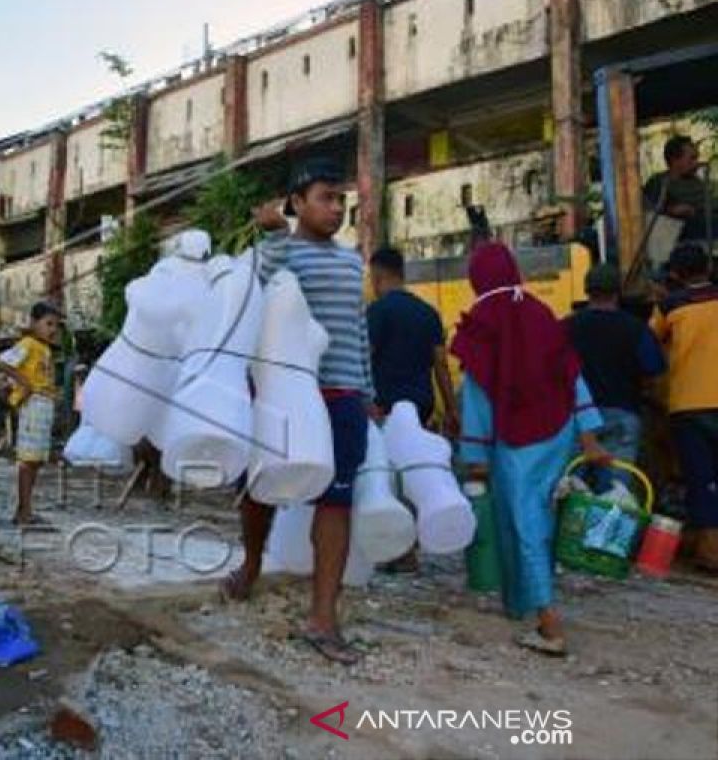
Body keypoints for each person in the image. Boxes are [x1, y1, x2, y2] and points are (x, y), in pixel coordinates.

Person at [220, 157, 373, 666]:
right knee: (258, 486)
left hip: (341, 394)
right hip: (283, 392)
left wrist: (366, 390)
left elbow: (357, 329)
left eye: (341, 201)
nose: (336, 209)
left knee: (336, 502)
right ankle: (251, 564)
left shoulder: (353, 262)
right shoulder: (274, 251)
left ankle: (324, 618)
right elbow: (261, 292)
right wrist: (276, 236)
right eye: (326, 198)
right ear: (297, 202)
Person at [452, 242, 610, 656]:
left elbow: (477, 394)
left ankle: (548, 622)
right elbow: (570, 373)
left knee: (523, 523)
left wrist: (475, 457)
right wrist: (589, 434)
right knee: (537, 515)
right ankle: (522, 604)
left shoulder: (481, 322)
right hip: (557, 431)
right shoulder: (540, 313)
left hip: (513, 440)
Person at [650, 244, 718, 573]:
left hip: (688, 405)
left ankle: (710, 550)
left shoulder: (669, 306)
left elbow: (649, 347)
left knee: (701, 477)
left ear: (675, 274)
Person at [565, 263, 666, 478]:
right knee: (617, 494)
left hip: (576, 421)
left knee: (573, 493)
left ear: (587, 290)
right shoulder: (637, 329)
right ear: (618, 292)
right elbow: (654, 371)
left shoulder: (564, 328)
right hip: (623, 415)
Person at [367, 246, 458, 434]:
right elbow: (441, 364)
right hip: (422, 407)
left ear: (376, 276)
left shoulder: (376, 311)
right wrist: (451, 409)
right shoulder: (429, 313)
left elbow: (365, 357)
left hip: (385, 407)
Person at [0, 301, 61, 524]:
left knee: (36, 460)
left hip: (44, 404)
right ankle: (24, 512)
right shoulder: (28, 344)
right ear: (34, 323)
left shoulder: (43, 348)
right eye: (48, 324)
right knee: (28, 461)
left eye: (56, 325)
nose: (53, 329)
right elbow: (4, 362)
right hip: (33, 404)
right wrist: (24, 383)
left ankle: (25, 509)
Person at [643, 135, 711, 245]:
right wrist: (671, 210)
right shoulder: (659, 182)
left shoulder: (696, 182)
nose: (696, 163)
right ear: (675, 160)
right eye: (692, 158)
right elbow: (649, 214)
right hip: (684, 235)